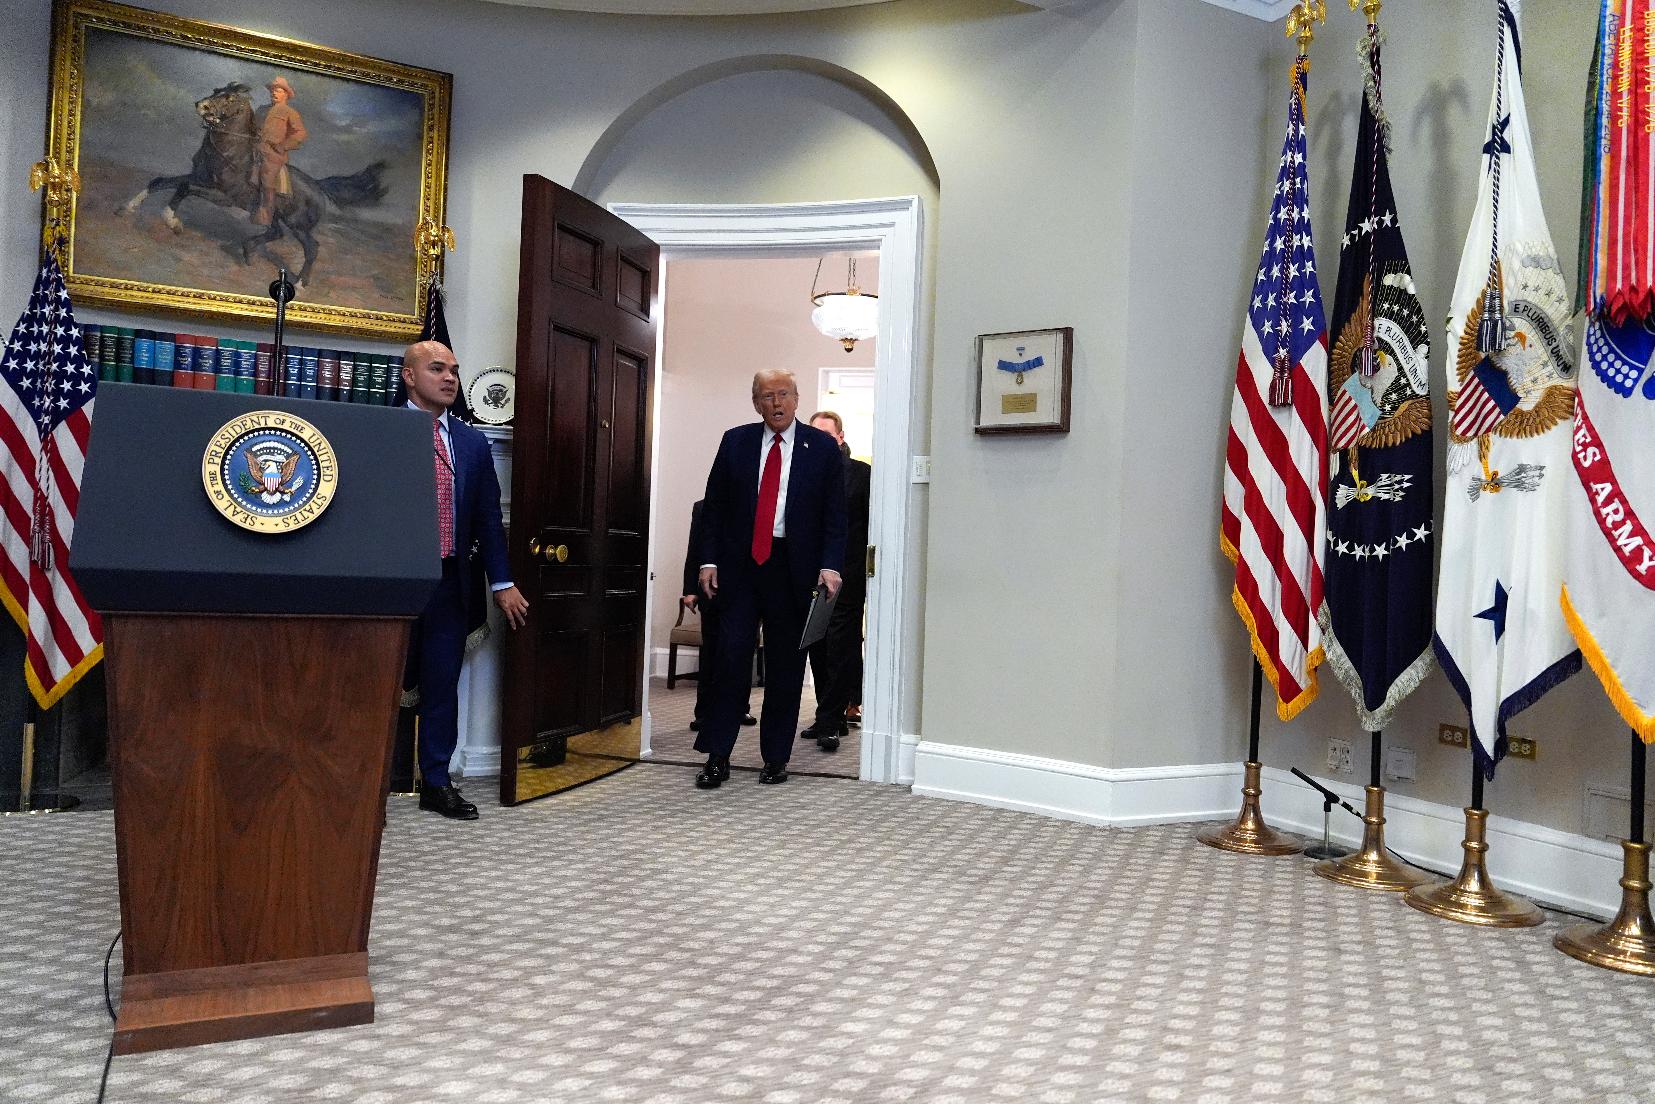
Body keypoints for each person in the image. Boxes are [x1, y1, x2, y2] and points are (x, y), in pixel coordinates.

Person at [693, 369, 847, 788]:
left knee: (785, 666)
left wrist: (831, 565)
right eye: (766, 396)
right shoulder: (736, 441)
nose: (775, 403)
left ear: (796, 399)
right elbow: (715, 507)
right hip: (740, 568)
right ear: (755, 402)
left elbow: (835, 515)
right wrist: (707, 561)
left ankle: (775, 758)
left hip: (793, 570)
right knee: (730, 659)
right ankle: (717, 756)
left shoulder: (822, 451)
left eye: (782, 395)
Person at [402, 340, 530, 819]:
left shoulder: (472, 442)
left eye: (454, 370)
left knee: (440, 684)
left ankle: (436, 781)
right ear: (410, 377)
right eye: (437, 369)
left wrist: (502, 581)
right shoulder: (380, 428)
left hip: (450, 580)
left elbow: (487, 520)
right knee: (378, 681)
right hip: (392, 579)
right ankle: (367, 778)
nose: (450, 377)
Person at [800, 411, 871, 752]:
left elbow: (868, 528)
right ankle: (831, 716)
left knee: (841, 649)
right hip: (809, 579)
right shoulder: (802, 473)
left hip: (848, 579)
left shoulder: (861, 475)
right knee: (817, 646)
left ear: (840, 437)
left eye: (828, 434)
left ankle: (831, 720)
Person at [680, 499, 755, 732]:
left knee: (742, 651)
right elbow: (695, 549)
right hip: (711, 592)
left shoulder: (753, 504)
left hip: (746, 592)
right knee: (711, 653)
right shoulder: (702, 507)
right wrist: (690, 590)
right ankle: (703, 712)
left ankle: (740, 707)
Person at [252, 76, 306, 227]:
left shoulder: (290, 112)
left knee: (267, 177)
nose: (273, 93)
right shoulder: (262, 110)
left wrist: (282, 146)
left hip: (273, 155)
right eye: (272, 90)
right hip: (255, 148)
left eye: (278, 90)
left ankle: (265, 215)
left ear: (286, 94)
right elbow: (253, 127)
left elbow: (300, 133)